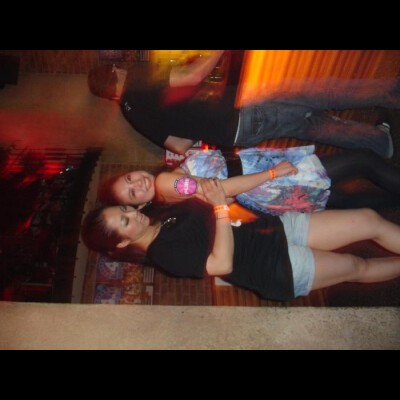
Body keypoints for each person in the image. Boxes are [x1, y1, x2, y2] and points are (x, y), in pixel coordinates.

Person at [81, 178, 400, 302]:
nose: (133, 214)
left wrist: (252, 185)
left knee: (368, 219)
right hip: (273, 267)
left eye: (125, 209)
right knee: (356, 265)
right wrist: (220, 208)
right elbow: (221, 264)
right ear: (121, 243)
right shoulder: (164, 253)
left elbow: (215, 203)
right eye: (125, 221)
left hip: (272, 232)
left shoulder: (163, 216)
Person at [87, 50, 399, 157]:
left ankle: (379, 142)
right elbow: (193, 76)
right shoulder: (138, 77)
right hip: (240, 106)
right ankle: (389, 93)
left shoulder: (132, 115)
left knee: (311, 125)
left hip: (235, 133)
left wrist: (195, 120)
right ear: (114, 70)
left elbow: (180, 146)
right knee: (318, 92)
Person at [100, 146, 400, 216]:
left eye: (129, 179)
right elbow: (221, 189)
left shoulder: (168, 194)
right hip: (268, 182)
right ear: (139, 206)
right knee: (362, 161)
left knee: (343, 199)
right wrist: (273, 173)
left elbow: (218, 195)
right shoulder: (166, 184)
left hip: (261, 191)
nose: (138, 184)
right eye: (132, 193)